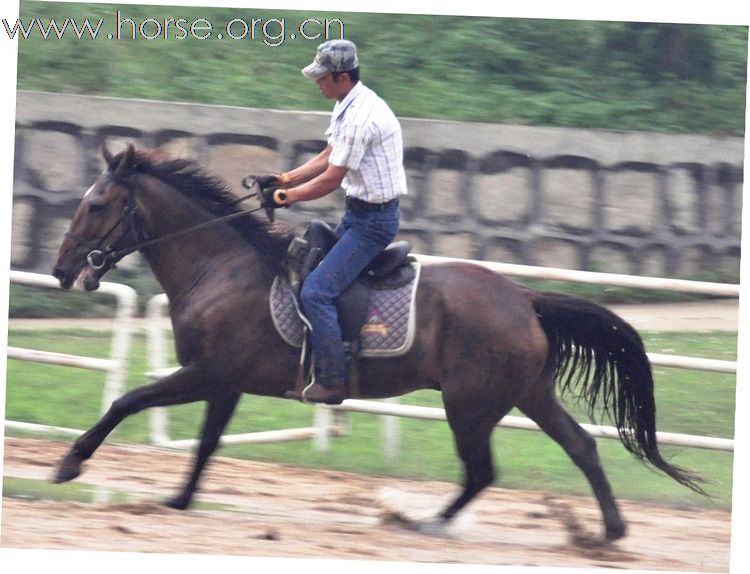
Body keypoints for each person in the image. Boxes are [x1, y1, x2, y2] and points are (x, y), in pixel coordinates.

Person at [260, 39, 407, 405]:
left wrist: (287, 198)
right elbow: (328, 154)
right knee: (309, 271)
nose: (317, 83)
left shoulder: (361, 118)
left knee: (316, 291)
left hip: (373, 223)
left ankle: (333, 379)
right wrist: (284, 179)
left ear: (342, 77)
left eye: (322, 78)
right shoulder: (347, 105)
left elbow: (330, 178)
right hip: (358, 214)